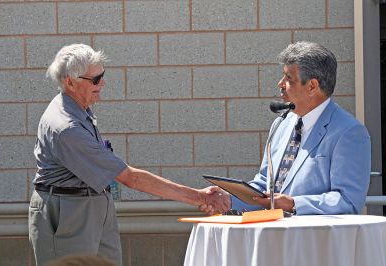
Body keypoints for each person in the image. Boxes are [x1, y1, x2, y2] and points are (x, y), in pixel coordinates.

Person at [28, 43, 229, 266]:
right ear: (70, 82)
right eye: (95, 79)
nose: (102, 83)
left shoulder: (78, 108)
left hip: (91, 205)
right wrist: (199, 197)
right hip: (68, 212)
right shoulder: (67, 127)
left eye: (102, 75)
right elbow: (129, 178)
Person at [202, 41, 371, 216]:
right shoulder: (281, 124)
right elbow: (265, 185)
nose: (280, 83)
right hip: (273, 236)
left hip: (314, 240)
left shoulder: (349, 132)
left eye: (289, 78)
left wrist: (293, 204)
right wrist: (228, 198)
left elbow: (348, 200)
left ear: (312, 86)